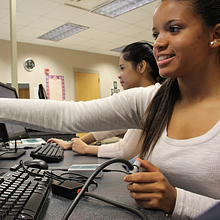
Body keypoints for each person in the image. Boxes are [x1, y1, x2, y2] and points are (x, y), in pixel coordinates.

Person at [0, 0, 219, 219]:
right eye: (155, 34)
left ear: (216, 35)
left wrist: (176, 200)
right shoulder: (152, 100)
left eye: (173, 29)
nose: (159, 44)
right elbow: (70, 115)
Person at [48, 41, 162, 160]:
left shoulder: (152, 100)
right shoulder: (145, 99)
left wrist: (86, 148)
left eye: (122, 68)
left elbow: (125, 150)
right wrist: (72, 144)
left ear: (141, 66)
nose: (119, 75)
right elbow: (111, 128)